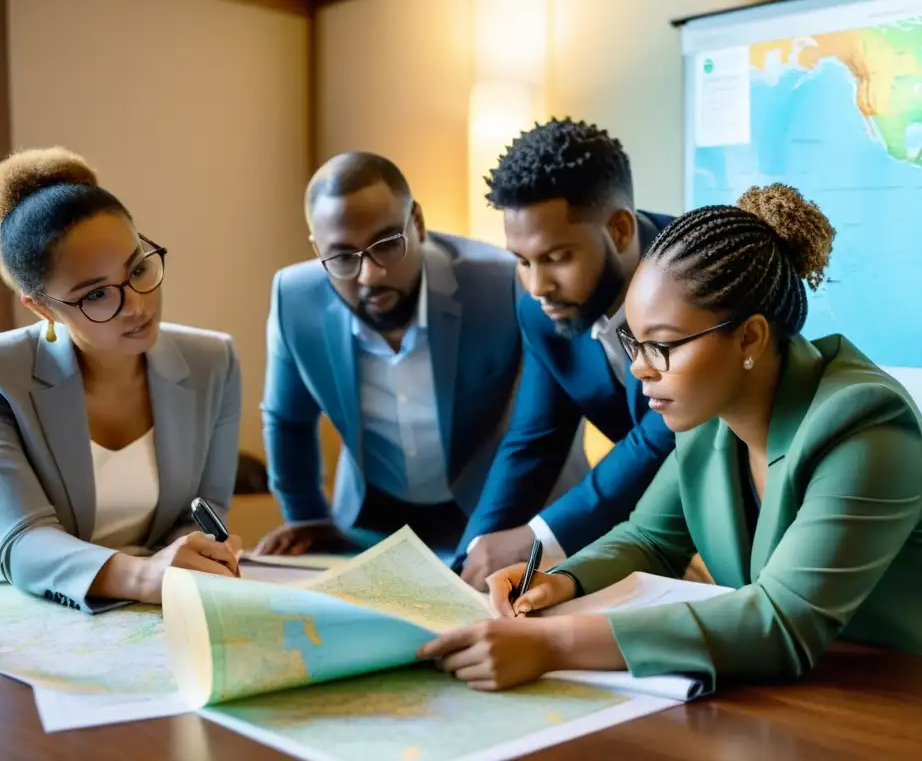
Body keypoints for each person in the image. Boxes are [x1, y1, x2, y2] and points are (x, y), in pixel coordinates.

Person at [417, 183, 922, 689]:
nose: (640, 368)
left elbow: (784, 622)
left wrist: (553, 643)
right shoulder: (708, 416)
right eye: (635, 341)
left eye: (663, 345)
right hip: (811, 690)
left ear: (751, 339)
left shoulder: (866, 423)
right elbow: (650, 538)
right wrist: (561, 582)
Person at [254, 152, 586, 557]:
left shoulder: (501, 282)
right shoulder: (294, 297)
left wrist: (545, 533)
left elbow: (553, 420)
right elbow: (287, 419)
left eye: (387, 245)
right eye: (342, 257)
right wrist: (307, 517)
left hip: (494, 511)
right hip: (371, 520)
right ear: (317, 249)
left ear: (419, 224)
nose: (370, 274)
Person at [0, 147, 243, 613]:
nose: (137, 305)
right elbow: (22, 539)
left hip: (154, 617)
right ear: (41, 307)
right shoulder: (6, 377)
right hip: (31, 617)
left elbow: (203, 509)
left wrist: (197, 553)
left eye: (137, 269)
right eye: (95, 293)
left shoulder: (214, 361)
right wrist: (148, 575)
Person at [455, 118, 677, 590]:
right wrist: (470, 561)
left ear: (619, 230)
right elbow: (533, 442)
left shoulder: (700, 275)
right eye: (521, 260)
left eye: (556, 258)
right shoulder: (541, 313)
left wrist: (536, 539)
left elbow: (666, 435)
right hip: (652, 544)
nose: (537, 287)